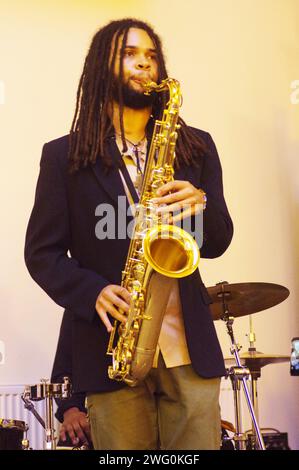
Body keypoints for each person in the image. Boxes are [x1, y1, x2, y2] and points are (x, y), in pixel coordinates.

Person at [25, 18, 233, 450]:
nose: (144, 64)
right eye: (130, 54)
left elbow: (219, 242)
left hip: (187, 349)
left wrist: (202, 205)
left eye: (151, 56)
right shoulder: (64, 156)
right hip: (111, 348)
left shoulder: (196, 146)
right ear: (103, 65)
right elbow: (41, 254)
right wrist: (92, 291)